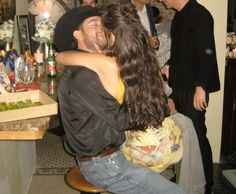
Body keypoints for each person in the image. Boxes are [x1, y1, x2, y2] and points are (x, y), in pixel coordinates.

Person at [55, 2, 186, 194]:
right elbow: (121, 120)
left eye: (102, 23)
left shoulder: (98, 64)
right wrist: (159, 109)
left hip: (119, 152)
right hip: (104, 165)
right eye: (93, 24)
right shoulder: (83, 76)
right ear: (77, 34)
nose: (101, 28)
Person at [158, 0, 220, 193]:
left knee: (197, 135)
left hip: (194, 88)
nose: (161, 0)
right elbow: (181, 52)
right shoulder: (181, 16)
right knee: (185, 134)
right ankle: (189, 175)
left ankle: (206, 183)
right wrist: (169, 64)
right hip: (181, 85)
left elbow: (206, 53)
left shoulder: (199, 14)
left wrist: (201, 87)